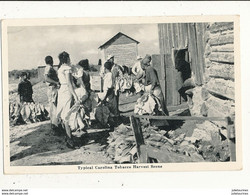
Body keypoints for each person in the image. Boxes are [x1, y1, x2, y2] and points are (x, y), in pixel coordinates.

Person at [56, 51, 79, 148]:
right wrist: (75, 95)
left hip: (62, 90)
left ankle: (68, 136)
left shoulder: (60, 68)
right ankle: (70, 140)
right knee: (67, 115)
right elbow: (69, 83)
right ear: (67, 59)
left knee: (64, 114)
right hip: (66, 91)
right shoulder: (67, 69)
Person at [98, 61, 119, 127]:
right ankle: (111, 124)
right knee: (110, 109)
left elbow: (109, 87)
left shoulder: (109, 75)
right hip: (108, 94)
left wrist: (105, 97)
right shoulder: (108, 75)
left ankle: (113, 125)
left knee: (111, 109)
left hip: (109, 94)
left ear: (105, 68)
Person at [44, 56, 60, 133]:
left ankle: (55, 125)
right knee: (53, 108)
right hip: (52, 89)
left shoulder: (50, 68)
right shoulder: (48, 68)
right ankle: (54, 126)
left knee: (54, 107)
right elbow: (46, 78)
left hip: (53, 88)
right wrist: (56, 82)